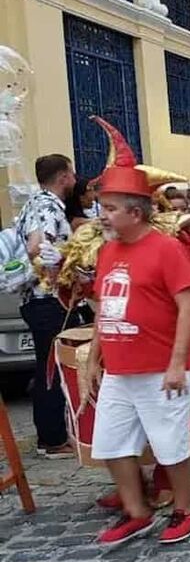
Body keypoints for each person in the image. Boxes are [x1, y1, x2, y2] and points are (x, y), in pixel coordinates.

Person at [86, 159, 190, 545]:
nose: (102, 216)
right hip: (120, 369)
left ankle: (185, 509)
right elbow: (104, 307)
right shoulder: (106, 252)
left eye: (110, 209)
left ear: (135, 213)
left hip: (161, 366)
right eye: (102, 208)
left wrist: (175, 363)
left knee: (170, 445)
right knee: (110, 443)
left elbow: (188, 307)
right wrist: (93, 358)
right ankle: (137, 511)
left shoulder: (166, 249)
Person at [18, 154, 77, 458]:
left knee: (47, 367)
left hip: (40, 301)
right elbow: (36, 247)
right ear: (63, 176)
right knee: (53, 369)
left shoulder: (33, 202)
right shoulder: (47, 206)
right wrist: (54, 274)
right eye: (72, 173)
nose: (75, 178)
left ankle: (51, 435)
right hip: (48, 299)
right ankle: (53, 440)